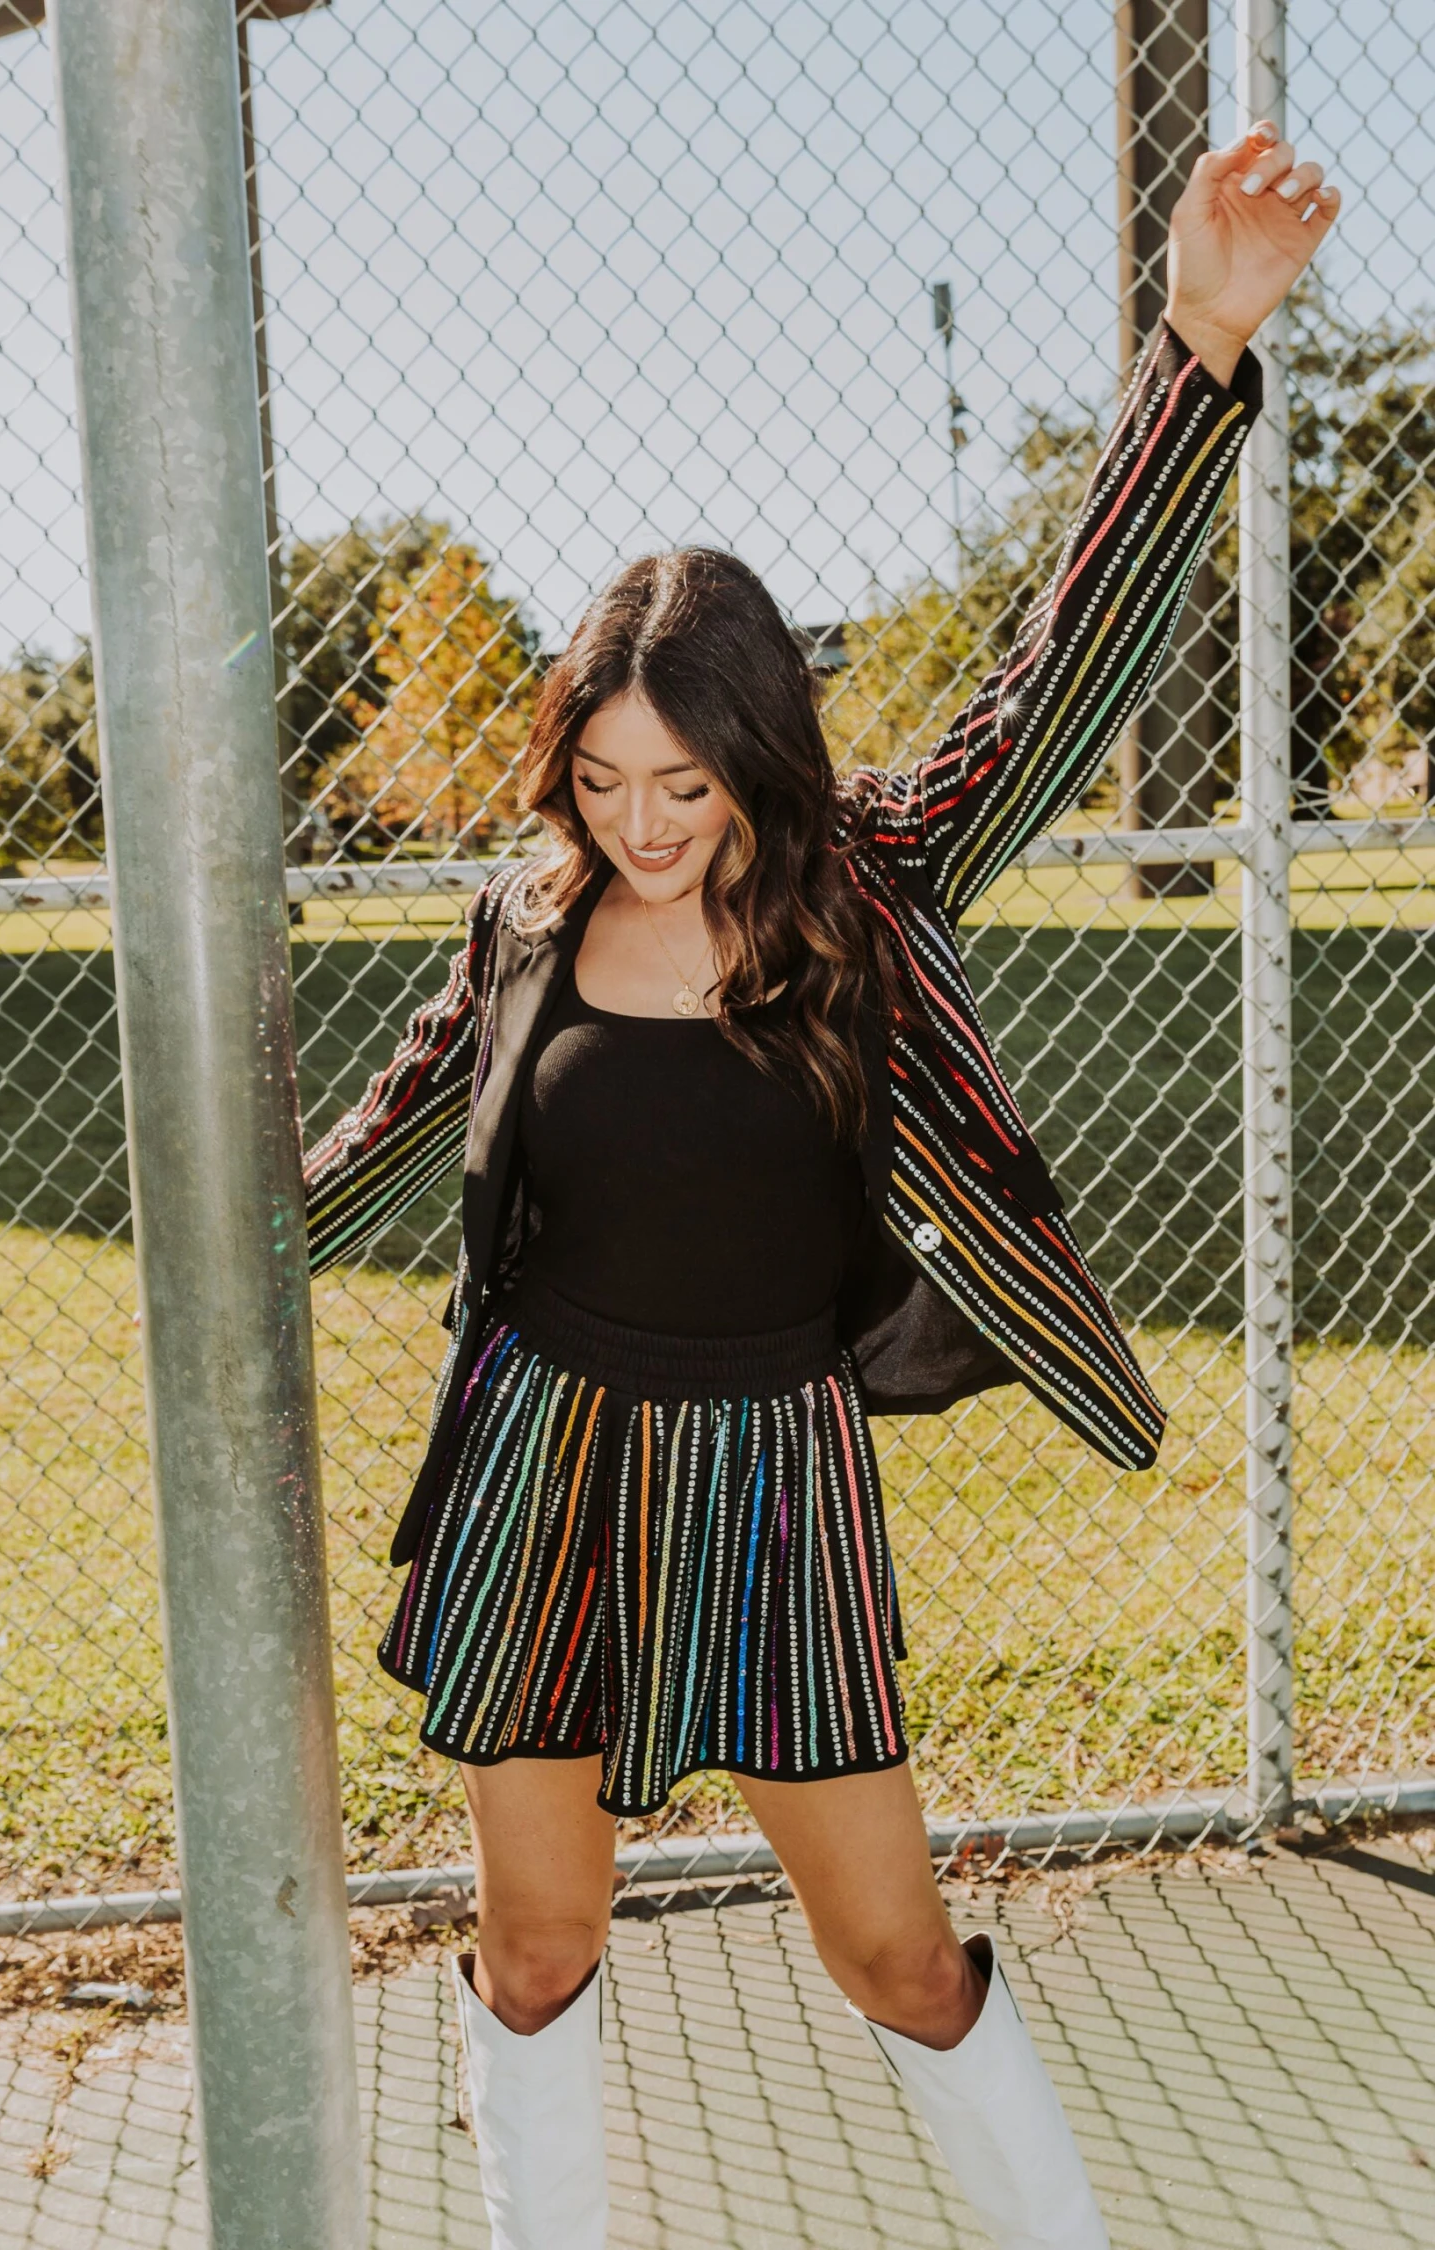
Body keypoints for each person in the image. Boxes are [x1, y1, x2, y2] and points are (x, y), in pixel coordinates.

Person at [304, 124, 1337, 2250]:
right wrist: (218, 1234)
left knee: (900, 1960)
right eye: (600, 779)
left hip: (779, 1466)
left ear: (760, 755)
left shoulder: (871, 887)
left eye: (684, 781)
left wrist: (1197, 344)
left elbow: (1058, 667)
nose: (642, 819)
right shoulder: (524, 923)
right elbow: (367, 1153)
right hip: (543, 1464)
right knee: (531, 1952)